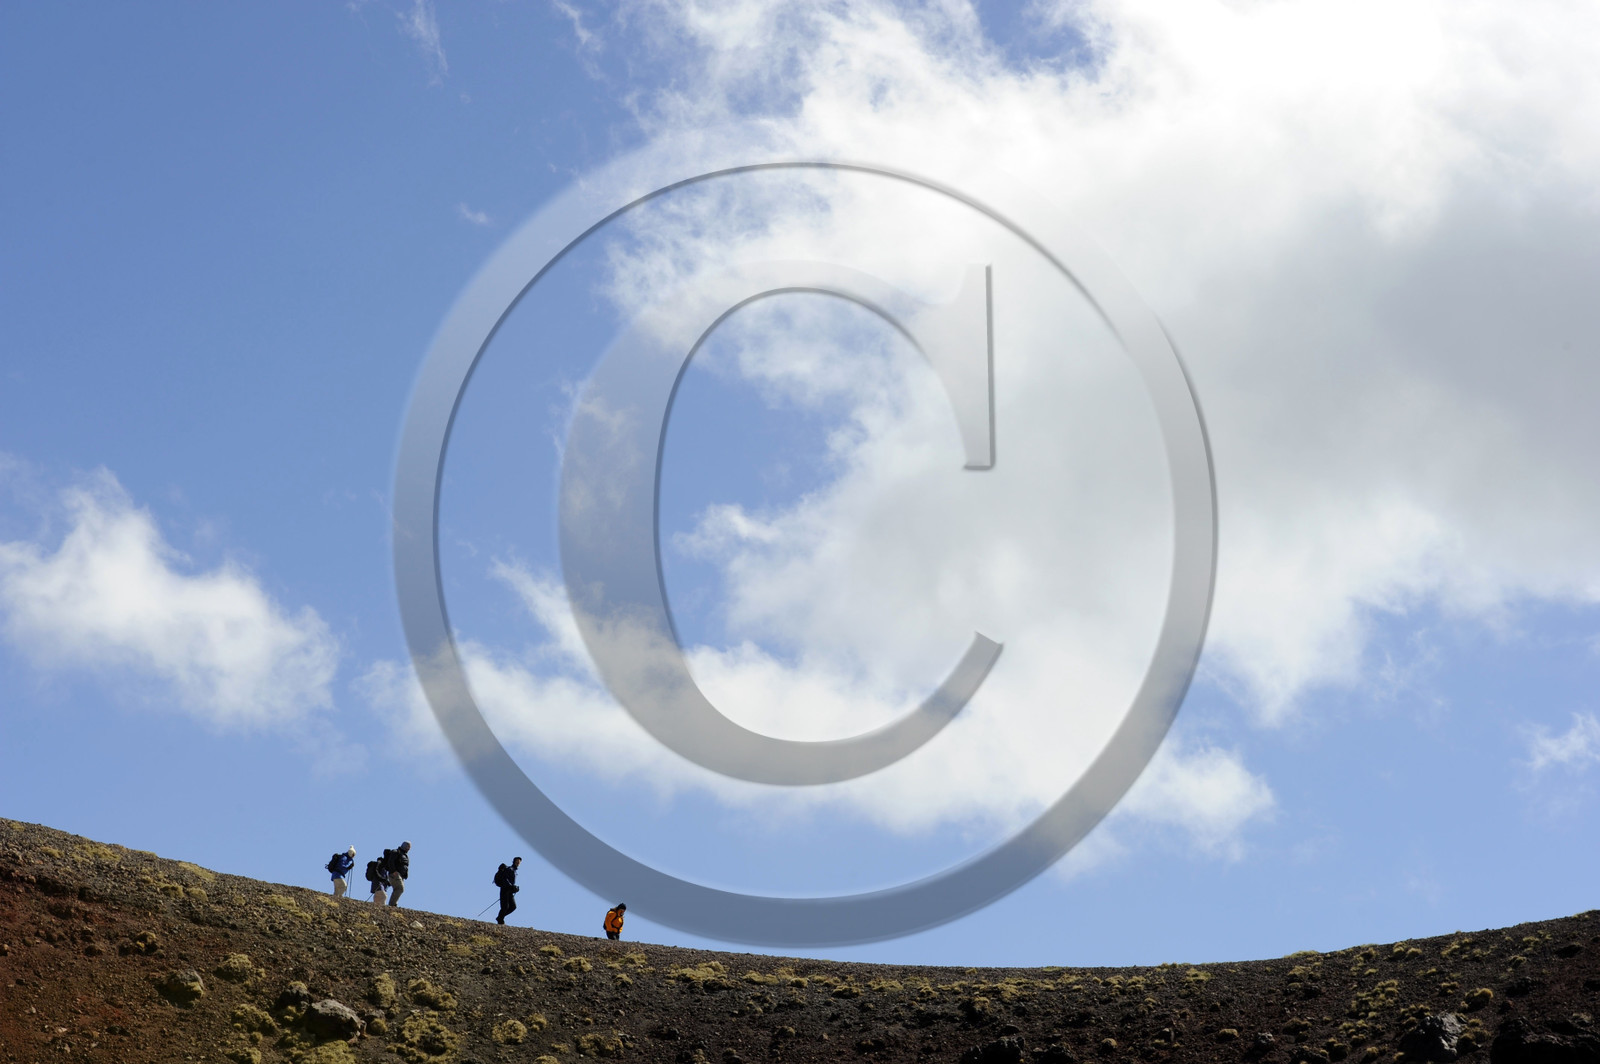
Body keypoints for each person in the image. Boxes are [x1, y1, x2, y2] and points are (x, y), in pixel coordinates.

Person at [493, 856, 522, 925]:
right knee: (505, 907)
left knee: (513, 907)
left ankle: (500, 917)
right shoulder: (510, 869)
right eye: (517, 861)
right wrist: (511, 886)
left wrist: (515, 888)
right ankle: (500, 920)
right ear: (514, 861)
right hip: (504, 890)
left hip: (509, 891)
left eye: (519, 862)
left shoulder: (514, 871)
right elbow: (505, 879)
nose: (518, 863)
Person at [382, 841, 411, 907]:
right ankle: (392, 905)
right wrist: (394, 871)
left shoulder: (404, 854)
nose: (408, 848)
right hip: (395, 874)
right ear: (404, 845)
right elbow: (391, 862)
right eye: (407, 846)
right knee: (400, 888)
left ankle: (393, 904)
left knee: (398, 889)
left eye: (409, 847)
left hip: (401, 876)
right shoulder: (396, 852)